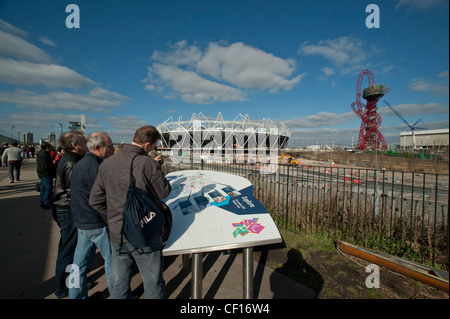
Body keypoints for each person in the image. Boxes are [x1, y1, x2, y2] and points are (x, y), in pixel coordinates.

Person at [90, 125, 171, 299]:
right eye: (154, 146)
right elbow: (164, 192)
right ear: (147, 145)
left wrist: (115, 215)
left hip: (117, 232)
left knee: (119, 282)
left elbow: (95, 200)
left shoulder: (107, 163)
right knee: (152, 281)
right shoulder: (148, 163)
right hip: (145, 231)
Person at [69, 132, 115, 299]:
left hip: (82, 222)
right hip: (97, 223)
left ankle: (75, 295)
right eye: (109, 146)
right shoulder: (96, 167)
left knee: (77, 265)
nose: (113, 148)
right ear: (97, 147)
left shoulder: (81, 164)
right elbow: (101, 198)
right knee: (112, 263)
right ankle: (117, 294)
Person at [52, 130, 89, 298]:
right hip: (69, 210)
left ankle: (66, 285)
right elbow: (78, 191)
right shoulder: (74, 163)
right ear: (74, 146)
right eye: (83, 141)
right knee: (71, 251)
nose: (87, 143)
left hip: (64, 208)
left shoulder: (69, 159)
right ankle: (67, 286)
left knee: (66, 248)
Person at [36, 142, 56, 209]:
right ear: (47, 148)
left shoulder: (43, 154)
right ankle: (46, 202)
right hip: (46, 174)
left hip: (44, 174)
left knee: (44, 188)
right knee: (48, 188)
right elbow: (45, 167)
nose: (52, 148)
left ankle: (43, 201)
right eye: (51, 147)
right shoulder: (44, 155)